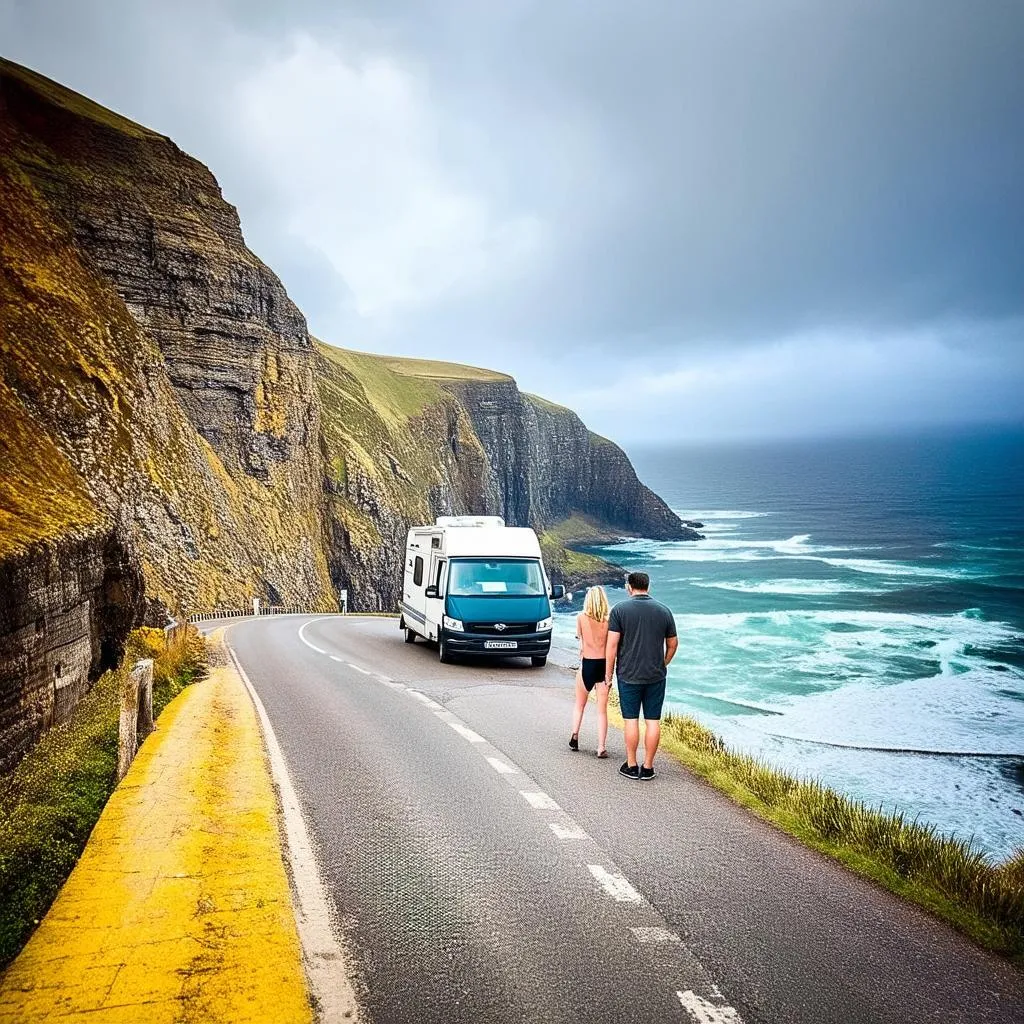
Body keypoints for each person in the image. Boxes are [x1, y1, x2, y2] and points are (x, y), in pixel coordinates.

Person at [605, 571, 678, 780]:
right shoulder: (664, 611)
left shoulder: (619, 610)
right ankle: (648, 767)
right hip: (655, 675)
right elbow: (673, 644)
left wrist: (608, 675)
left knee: (631, 720)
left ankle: (631, 764)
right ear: (648, 586)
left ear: (629, 587)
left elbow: (612, 646)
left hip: (628, 674)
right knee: (653, 721)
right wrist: (663, 663)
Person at [569, 586, 612, 757]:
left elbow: (580, 641)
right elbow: (611, 646)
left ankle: (574, 736)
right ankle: (601, 747)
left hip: (587, 663)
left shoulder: (580, 618)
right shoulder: (609, 621)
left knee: (579, 705)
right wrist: (610, 673)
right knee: (602, 710)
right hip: (603, 665)